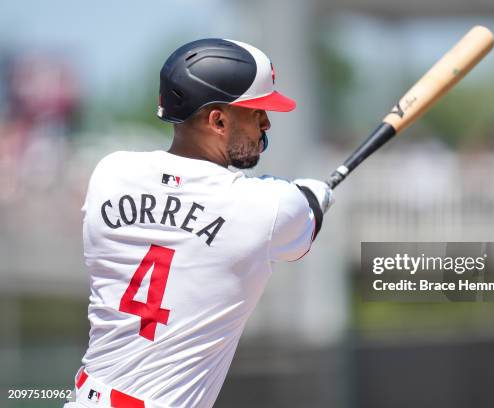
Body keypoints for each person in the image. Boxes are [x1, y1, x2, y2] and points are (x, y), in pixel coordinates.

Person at [64, 38, 333, 408]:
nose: (266, 123)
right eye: (256, 112)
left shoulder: (110, 172)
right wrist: (319, 195)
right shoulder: (267, 206)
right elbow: (303, 211)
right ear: (217, 120)